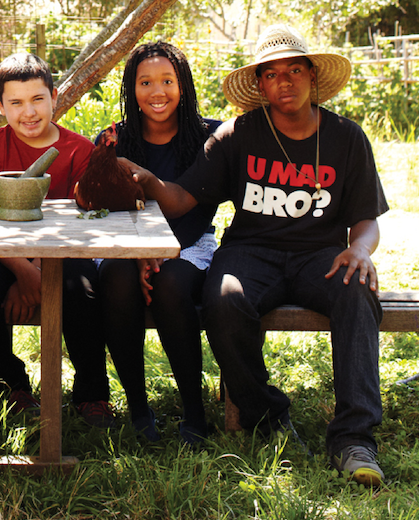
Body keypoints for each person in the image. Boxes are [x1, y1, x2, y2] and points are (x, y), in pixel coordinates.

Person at [124, 24, 388, 486]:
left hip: (320, 255)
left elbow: (366, 217)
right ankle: (267, 416)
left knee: (357, 289)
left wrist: (360, 251)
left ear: (311, 76)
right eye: (271, 74)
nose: (284, 81)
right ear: (260, 85)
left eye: (294, 70)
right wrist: (147, 180)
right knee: (222, 298)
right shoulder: (239, 135)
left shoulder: (347, 138)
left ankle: (354, 439)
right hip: (250, 252)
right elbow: (184, 198)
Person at [0, 52, 112, 426]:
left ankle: (92, 394)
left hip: (65, 258)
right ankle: (10, 385)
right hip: (1, 257)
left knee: (82, 286)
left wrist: (40, 270)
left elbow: (86, 227)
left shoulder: (80, 152)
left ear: (54, 97)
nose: (28, 112)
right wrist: (23, 272)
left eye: (37, 100)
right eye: (15, 102)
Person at [97, 42, 221, 444]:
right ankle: (137, 409)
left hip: (190, 245)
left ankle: (195, 414)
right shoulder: (116, 138)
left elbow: (196, 211)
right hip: (126, 247)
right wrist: (136, 253)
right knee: (116, 276)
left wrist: (160, 253)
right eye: (145, 82)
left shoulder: (209, 136)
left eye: (168, 81)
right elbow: (103, 208)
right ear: (131, 88)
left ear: (183, 85)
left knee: (170, 284)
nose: (157, 91)